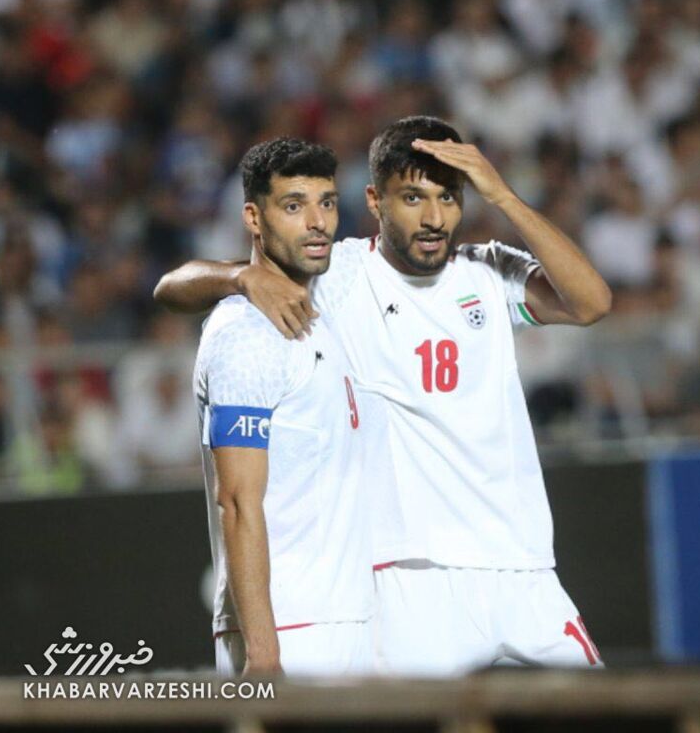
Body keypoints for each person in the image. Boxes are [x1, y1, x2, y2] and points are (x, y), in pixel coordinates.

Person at [156, 116, 612, 676]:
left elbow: (592, 303)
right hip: (411, 576)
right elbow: (171, 287)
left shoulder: (489, 271)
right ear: (375, 201)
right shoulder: (341, 273)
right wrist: (237, 278)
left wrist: (504, 196)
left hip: (523, 563)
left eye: (449, 197)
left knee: (607, 708)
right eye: (413, 197)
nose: (433, 217)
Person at [187, 138, 379, 676]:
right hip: (290, 631)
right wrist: (264, 653)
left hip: (346, 619)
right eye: (294, 206)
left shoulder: (324, 303)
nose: (317, 222)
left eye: (327, 203)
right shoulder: (246, 337)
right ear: (254, 217)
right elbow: (237, 501)